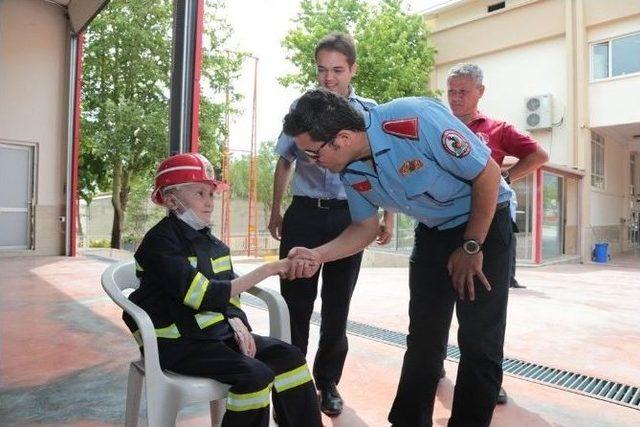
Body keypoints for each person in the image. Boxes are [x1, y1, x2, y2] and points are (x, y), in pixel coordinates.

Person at [282, 89, 513, 427]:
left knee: (479, 340)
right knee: (423, 338)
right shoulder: (351, 170)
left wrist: (472, 246)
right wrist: (318, 255)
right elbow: (364, 227)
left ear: (342, 139)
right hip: (434, 230)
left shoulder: (413, 120)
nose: (313, 163)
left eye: (313, 154)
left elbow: (488, 174)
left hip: (485, 222)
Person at [122, 153, 323, 427]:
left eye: (212, 194)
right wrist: (268, 269)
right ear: (171, 200)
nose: (209, 202)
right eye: (200, 193)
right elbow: (201, 294)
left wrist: (238, 321)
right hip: (176, 343)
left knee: (290, 356)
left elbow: (229, 295)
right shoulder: (159, 243)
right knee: (255, 376)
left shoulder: (215, 246)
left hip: (214, 336)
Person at [268, 31, 393, 416]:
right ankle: (292, 381)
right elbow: (285, 160)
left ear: (352, 69)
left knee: (337, 306)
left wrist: (389, 214)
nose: (329, 78)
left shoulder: (368, 112)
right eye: (322, 70)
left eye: (337, 70)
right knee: (296, 304)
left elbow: (381, 166)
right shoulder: (301, 109)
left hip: (348, 217)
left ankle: (327, 382)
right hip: (304, 213)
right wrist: (276, 210)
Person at [447, 63, 549, 404]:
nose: (456, 98)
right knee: (432, 309)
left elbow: (539, 154)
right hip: (442, 225)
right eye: (451, 91)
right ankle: (432, 369)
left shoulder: (496, 129)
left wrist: (507, 178)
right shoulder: (437, 125)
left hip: (488, 227)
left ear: (480, 92)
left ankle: (486, 381)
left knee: (483, 315)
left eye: (463, 91)